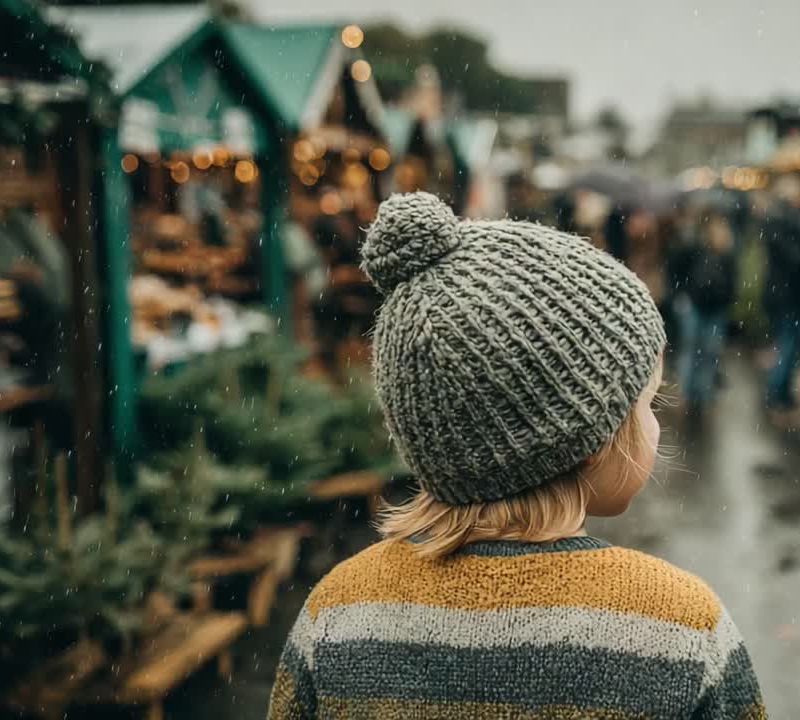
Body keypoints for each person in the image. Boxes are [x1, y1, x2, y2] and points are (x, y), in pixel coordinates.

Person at [267, 192, 765, 720]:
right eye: (648, 403)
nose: (657, 426)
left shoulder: (338, 614)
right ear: (587, 434)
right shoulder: (679, 625)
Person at [761, 175, 800, 416]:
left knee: (789, 344)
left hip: (783, 293)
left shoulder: (778, 219)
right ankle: (777, 396)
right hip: (789, 295)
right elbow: (795, 257)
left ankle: (781, 394)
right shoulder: (786, 221)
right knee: (789, 345)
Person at [672, 212, 738, 414]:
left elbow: (733, 280)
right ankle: (692, 393)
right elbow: (678, 268)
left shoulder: (723, 252)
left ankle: (699, 394)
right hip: (699, 305)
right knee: (698, 351)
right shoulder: (696, 247)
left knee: (705, 352)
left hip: (712, 307)